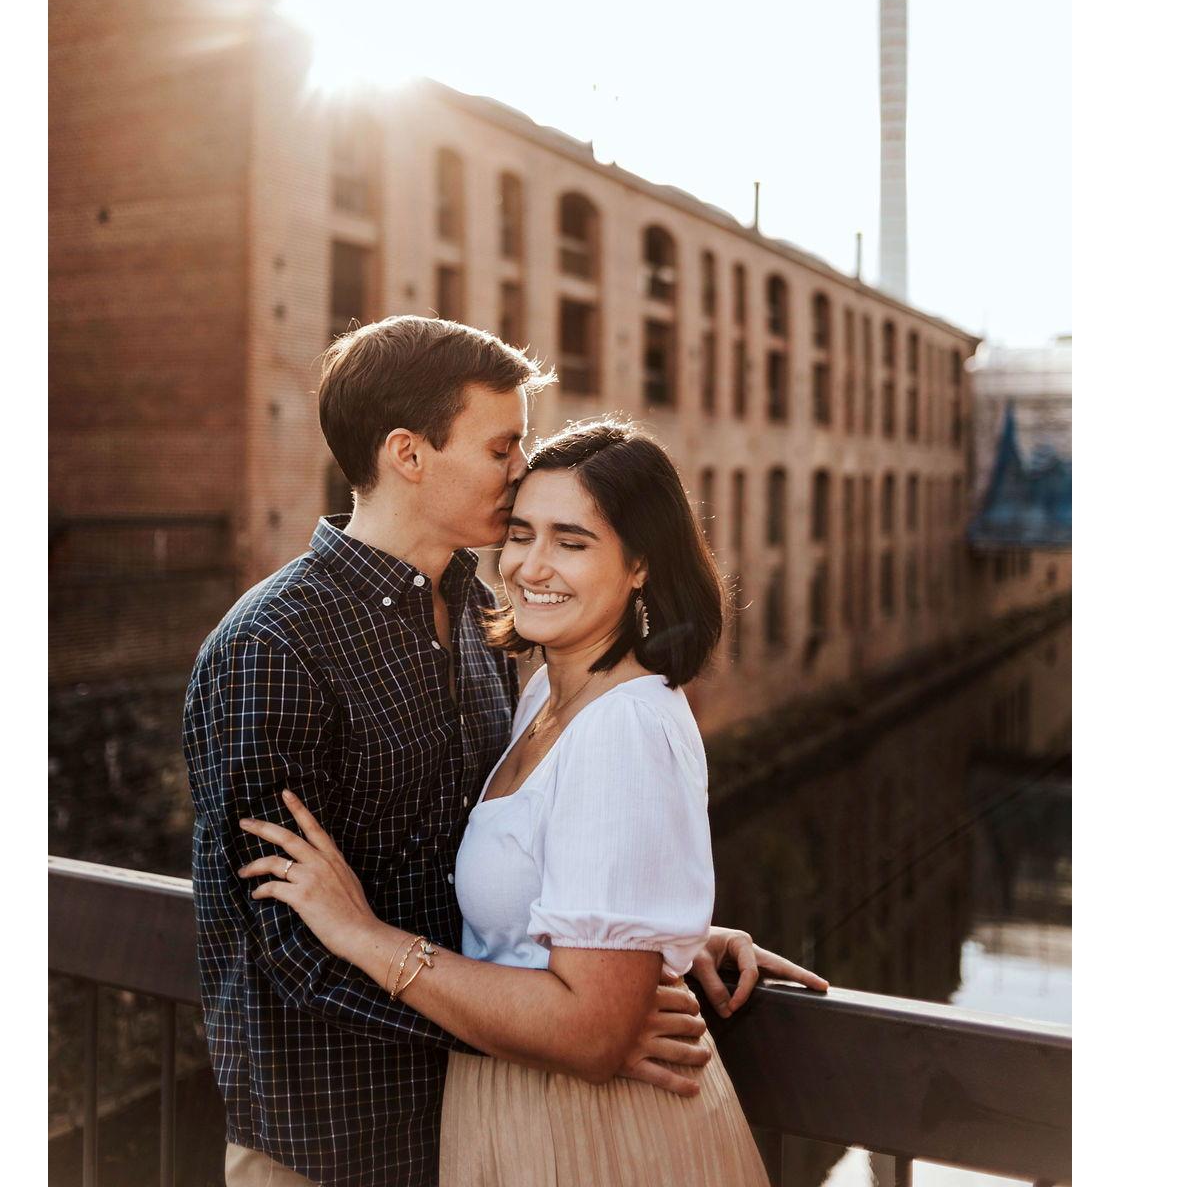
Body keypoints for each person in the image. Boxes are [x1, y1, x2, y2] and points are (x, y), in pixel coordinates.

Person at [184, 317, 822, 1187]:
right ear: (410, 454)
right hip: (332, 1146)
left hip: (478, 1136)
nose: (521, 470)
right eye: (502, 446)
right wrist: (575, 1027)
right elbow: (289, 946)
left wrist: (634, 942)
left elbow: (487, 853)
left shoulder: (488, 628)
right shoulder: (274, 645)